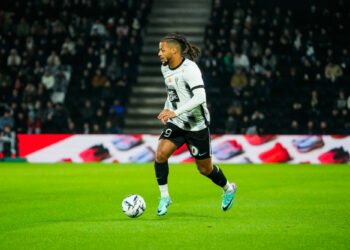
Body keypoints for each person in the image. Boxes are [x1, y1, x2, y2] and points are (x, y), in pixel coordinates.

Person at [155, 33, 237, 216]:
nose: (159, 53)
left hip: (196, 126)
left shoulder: (189, 69)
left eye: (162, 49)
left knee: (204, 169)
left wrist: (174, 112)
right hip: (177, 122)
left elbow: (200, 97)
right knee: (160, 154)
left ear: (174, 50)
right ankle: (164, 196)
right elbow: (172, 93)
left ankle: (228, 189)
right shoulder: (165, 68)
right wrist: (166, 109)